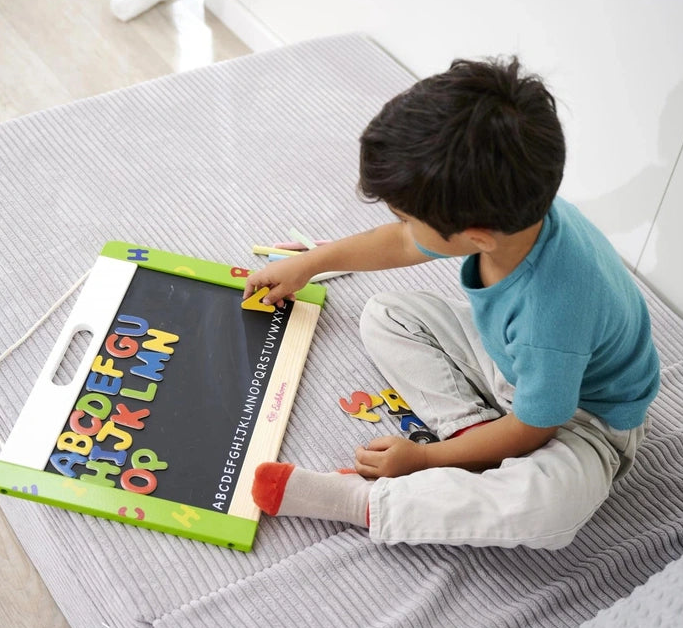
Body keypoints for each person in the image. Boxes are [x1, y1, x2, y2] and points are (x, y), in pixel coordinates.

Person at [243, 56, 661, 550]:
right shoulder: (517, 217)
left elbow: (533, 429)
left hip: (582, 419)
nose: (403, 228)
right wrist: (311, 263)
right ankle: (473, 434)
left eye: (407, 218)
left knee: (547, 509)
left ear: (475, 237)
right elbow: (402, 243)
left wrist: (423, 459)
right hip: (518, 366)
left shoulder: (550, 316)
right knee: (386, 313)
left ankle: (370, 502)